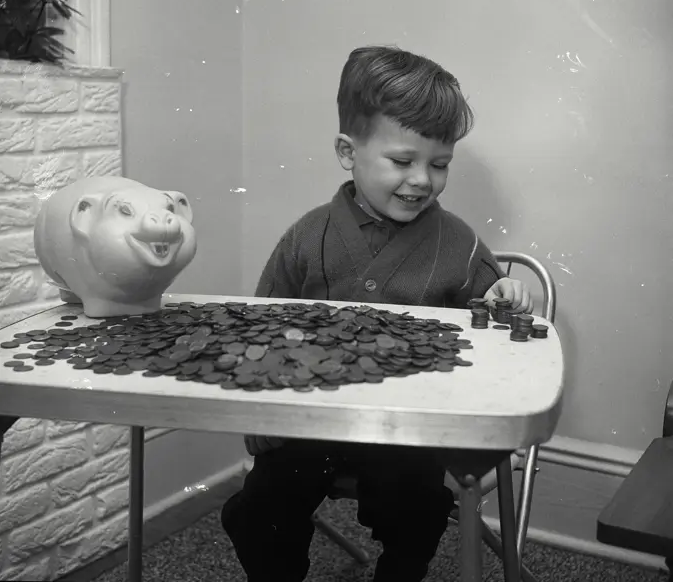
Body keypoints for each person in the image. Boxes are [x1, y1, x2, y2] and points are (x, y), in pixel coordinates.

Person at [221, 45, 534, 582]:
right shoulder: (308, 236)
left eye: (439, 165)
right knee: (261, 510)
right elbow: (261, 327)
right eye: (402, 161)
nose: (422, 181)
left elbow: (489, 317)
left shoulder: (458, 242)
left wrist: (504, 290)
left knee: (416, 508)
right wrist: (259, 414)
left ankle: (400, 572)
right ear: (348, 150)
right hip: (311, 422)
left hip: (407, 429)